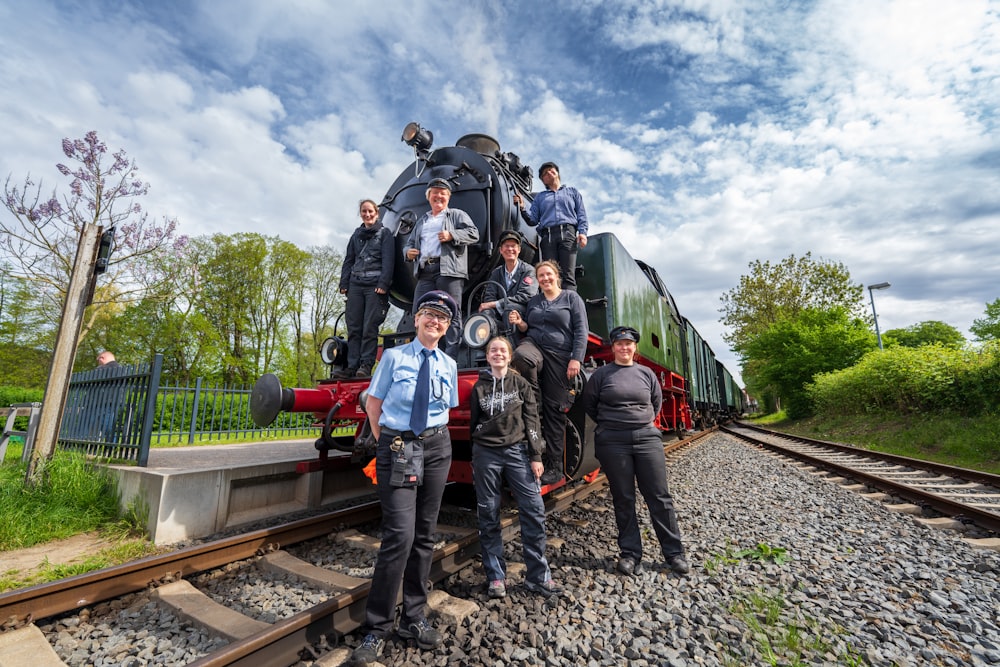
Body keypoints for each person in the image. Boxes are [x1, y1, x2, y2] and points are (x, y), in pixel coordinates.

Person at [351, 290, 460, 666]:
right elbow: (374, 404)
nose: (435, 321)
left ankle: (413, 616)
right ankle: (376, 628)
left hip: (437, 448)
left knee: (426, 534)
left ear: (447, 327)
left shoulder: (448, 364)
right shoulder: (394, 357)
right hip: (399, 447)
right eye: (429, 314)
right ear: (415, 319)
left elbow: (446, 409)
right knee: (400, 535)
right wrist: (391, 443)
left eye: (442, 318)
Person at [581, 326, 690, 576]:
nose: (624, 347)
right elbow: (590, 404)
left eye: (628, 344)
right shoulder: (601, 375)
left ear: (634, 347)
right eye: (619, 344)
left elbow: (655, 402)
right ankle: (630, 554)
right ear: (613, 348)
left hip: (646, 439)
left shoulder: (647, 374)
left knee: (659, 496)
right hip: (613, 441)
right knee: (624, 498)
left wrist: (639, 422)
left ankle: (674, 554)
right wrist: (612, 424)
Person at [469, 336, 561, 599]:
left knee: (533, 509)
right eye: (492, 351)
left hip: (518, 451)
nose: (497, 354)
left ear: (509, 357)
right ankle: (496, 576)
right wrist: (476, 453)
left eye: (502, 351)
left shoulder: (521, 383)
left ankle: (538, 576)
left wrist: (536, 455)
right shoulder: (479, 387)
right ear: (487, 357)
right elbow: (475, 421)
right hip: (486, 452)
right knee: (488, 512)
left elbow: (533, 420)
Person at [509, 260, 588, 486]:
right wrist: (521, 322)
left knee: (555, 413)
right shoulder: (534, 301)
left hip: (561, 354)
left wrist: (576, 358)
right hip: (535, 346)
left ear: (556, 276)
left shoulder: (571, 298)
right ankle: (535, 398)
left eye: (548, 274)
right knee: (520, 356)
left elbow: (581, 330)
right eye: (540, 276)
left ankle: (555, 467)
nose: (544, 279)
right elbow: (528, 329)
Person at [404, 178, 480, 356]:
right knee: (420, 310)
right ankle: (421, 353)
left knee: (451, 312)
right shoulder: (422, 220)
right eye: (434, 193)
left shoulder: (456, 214)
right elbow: (408, 244)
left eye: (442, 193)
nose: (438, 196)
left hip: (448, 269)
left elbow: (473, 233)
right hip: (425, 271)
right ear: (429, 197)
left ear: (448, 197)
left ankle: (451, 357)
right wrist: (407, 252)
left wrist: (451, 234)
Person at [338, 199, 395, 378]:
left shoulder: (385, 234)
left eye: (370, 211)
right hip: (356, 283)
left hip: (375, 285)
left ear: (376, 213)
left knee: (370, 327)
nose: (367, 214)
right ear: (361, 214)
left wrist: (383, 283)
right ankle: (351, 366)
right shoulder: (356, 235)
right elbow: (349, 260)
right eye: (364, 211)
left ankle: (365, 365)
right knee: (354, 327)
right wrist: (344, 283)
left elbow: (388, 260)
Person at [513, 162, 588, 290]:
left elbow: (581, 214)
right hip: (547, 237)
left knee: (568, 275)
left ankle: (570, 307)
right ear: (543, 180)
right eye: (544, 173)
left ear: (557, 172)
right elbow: (532, 220)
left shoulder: (572, 192)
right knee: (550, 273)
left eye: (550, 170)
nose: (548, 173)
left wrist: (583, 232)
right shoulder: (540, 198)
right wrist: (522, 207)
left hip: (568, 234)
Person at [477, 230, 537, 336]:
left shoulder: (529, 271)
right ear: (501, 250)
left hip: (524, 312)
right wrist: (490, 306)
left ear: (519, 250)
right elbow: (489, 295)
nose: (510, 249)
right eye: (506, 246)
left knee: (510, 309)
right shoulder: (496, 272)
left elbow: (526, 296)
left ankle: (512, 345)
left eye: (513, 246)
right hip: (502, 312)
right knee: (486, 313)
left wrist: (496, 304)